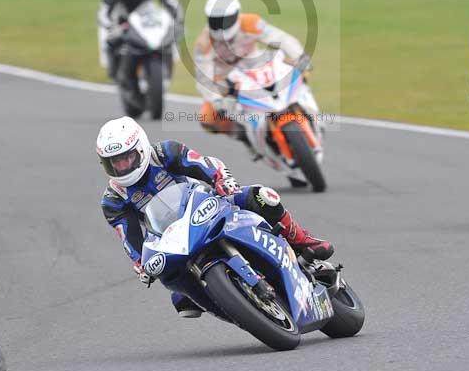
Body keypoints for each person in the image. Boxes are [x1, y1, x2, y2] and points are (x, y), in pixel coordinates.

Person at [98, 116, 333, 317]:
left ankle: (303, 241)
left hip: (208, 205)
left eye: (126, 158)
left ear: (140, 148)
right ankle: (221, 302)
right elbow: (129, 238)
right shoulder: (113, 199)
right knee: (174, 288)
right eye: (114, 164)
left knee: (261, 196)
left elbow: (202, 164)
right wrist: (141, 264)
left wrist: (221, 179)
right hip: (171, 238)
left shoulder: (164, 153)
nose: (122, 167)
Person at [194, 0, 311, 138]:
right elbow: (203, 77)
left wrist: (300, 57)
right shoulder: (203, 43)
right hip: (226, 78)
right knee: (208, 119)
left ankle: (305, 106)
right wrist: (216, 99)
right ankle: (244, 136)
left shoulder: (251, 22)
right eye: (216, 21)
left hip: (255, 64)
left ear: (237, 15)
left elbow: (281, 38)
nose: (221, 25)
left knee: (291, 67)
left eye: (226, 20)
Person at [97, 0, 183, 79]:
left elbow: (171, 3)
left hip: (145, 15)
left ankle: (167, 68)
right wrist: (109, 26)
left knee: (173, 33)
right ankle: (113, 71)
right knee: (110, 38)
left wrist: (177, 20)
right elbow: (103, 11)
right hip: (122, 16)